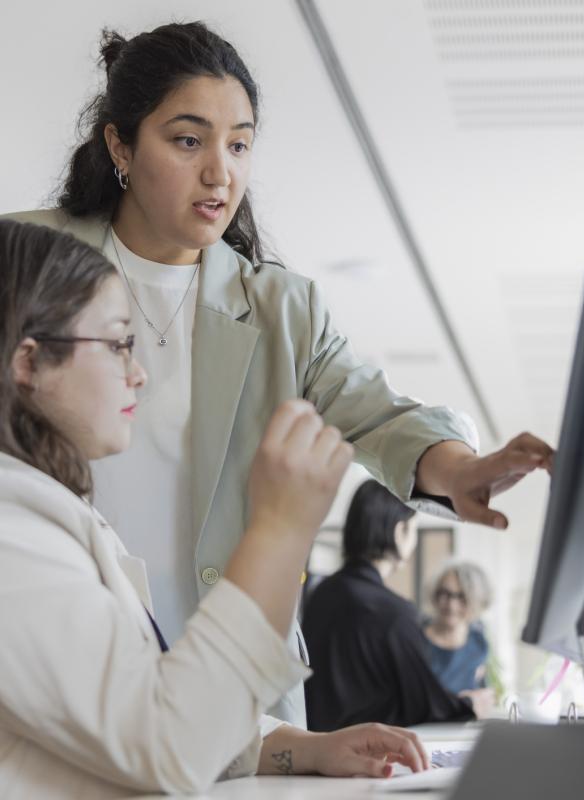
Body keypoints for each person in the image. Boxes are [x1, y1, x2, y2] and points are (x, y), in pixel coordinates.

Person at [3, 20, 553, 727]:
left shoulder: (280, 309)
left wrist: (461, 470)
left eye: (239, 144)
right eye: (187, 140)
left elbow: (377, 413)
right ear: (120, 144)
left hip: (235, 689)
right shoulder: (28, 263)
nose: (220, 172)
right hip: (60, 663)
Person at [0, 219, 433, 798]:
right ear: (27, 363)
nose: (138, 372)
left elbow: (125, 711)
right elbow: (166, 744)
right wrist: (277, 530)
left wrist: (297, 748)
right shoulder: (12, 532)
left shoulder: (41, 512)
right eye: (117, 343)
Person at [303, 480, 494, 731]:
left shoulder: (322, 594)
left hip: (314, 747)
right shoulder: (393, 612)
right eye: (413, 529)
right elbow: (421, 703)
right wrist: (469, 705)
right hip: (364, 754)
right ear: (400, 531)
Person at [423, 562, 493, 694]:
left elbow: (481, 689)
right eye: (445, 594)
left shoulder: (478, 641)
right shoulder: (415, 639)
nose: (451, 605)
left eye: (462, 597)